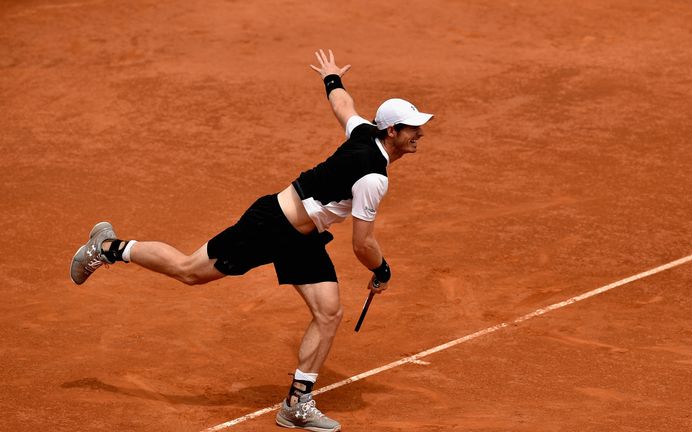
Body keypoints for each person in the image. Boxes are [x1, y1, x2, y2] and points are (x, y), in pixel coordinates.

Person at [69, 49, 433, 432]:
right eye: (412, 128)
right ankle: (107, 248)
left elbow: (344, 106)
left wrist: (331, 78)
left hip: (304, 236)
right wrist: (382, 269)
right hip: (271, 225)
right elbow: (363, 245)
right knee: (189, 271)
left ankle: (297, 402)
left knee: (329, 312)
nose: (419, 134)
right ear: (391, 131)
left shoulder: (363, 132)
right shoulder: (374, 177)